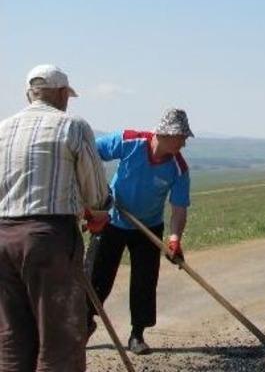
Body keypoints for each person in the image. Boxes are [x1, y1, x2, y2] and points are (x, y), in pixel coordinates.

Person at [0, 64, 112, 371]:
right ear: (62, 94)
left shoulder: (3, 128)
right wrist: (98, 210)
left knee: (13, 338)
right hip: (48, 238)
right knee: (60, 341)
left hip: (3, 238)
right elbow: (96, 193)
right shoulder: (72, 126)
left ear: (30, 95)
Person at [85, 108, 194, 355]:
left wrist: (174, 239)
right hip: (112, 220)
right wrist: (97, 191)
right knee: (96, 276)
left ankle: (137, 334)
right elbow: (89, 154)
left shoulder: (179, 168)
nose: (184, 143)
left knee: (145, 281)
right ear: (166, 134)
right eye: (181, 137)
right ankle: (84, 323)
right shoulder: (128, 141)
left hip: (148, 227)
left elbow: (179, 208)